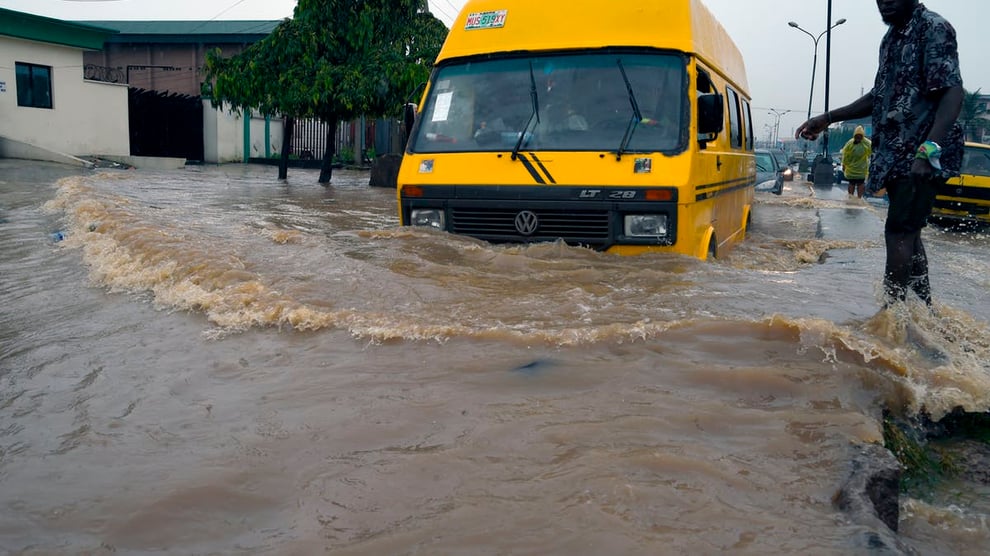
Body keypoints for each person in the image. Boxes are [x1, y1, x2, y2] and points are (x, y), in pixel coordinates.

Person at [795, 0, 964, 308]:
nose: (885, 1)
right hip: (895, 154)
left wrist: (929, 150)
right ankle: (922, 313)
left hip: (922, 152)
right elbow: (879, 95)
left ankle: (892, 318)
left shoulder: (933, 28)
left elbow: (952, 92)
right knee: (909, 232)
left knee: (899, 231)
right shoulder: (891, 38)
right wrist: (828, 117)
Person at [841, 125, 872, 198]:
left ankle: (859, 198)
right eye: (857, 136)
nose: (858, 137)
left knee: (860, 183)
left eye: (860, 136)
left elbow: (872, 152)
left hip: (861, 168)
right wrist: (844, 164)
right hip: (851, 168)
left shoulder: (867, 143)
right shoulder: (850, 143)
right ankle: (851, 197)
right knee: (852, 183)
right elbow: (845, 154)